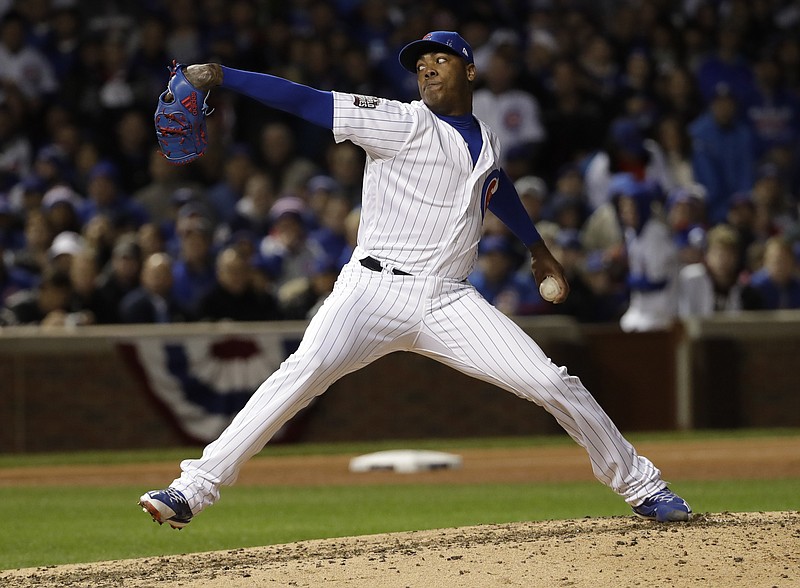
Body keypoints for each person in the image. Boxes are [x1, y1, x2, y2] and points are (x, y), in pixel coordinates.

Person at [139, 31, 691, 529]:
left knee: (551, 382)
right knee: (298, 376)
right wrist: (220, 75)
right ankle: (192, 488)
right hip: (372, 291)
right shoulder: (400, 120)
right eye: (420, 62)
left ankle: (641, 485)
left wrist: (538, 248)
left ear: (469, 72)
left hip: (449, 300)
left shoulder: (486, 137)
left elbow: (492, 186)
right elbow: (307, 100)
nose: (426, 68)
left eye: (440, 59)